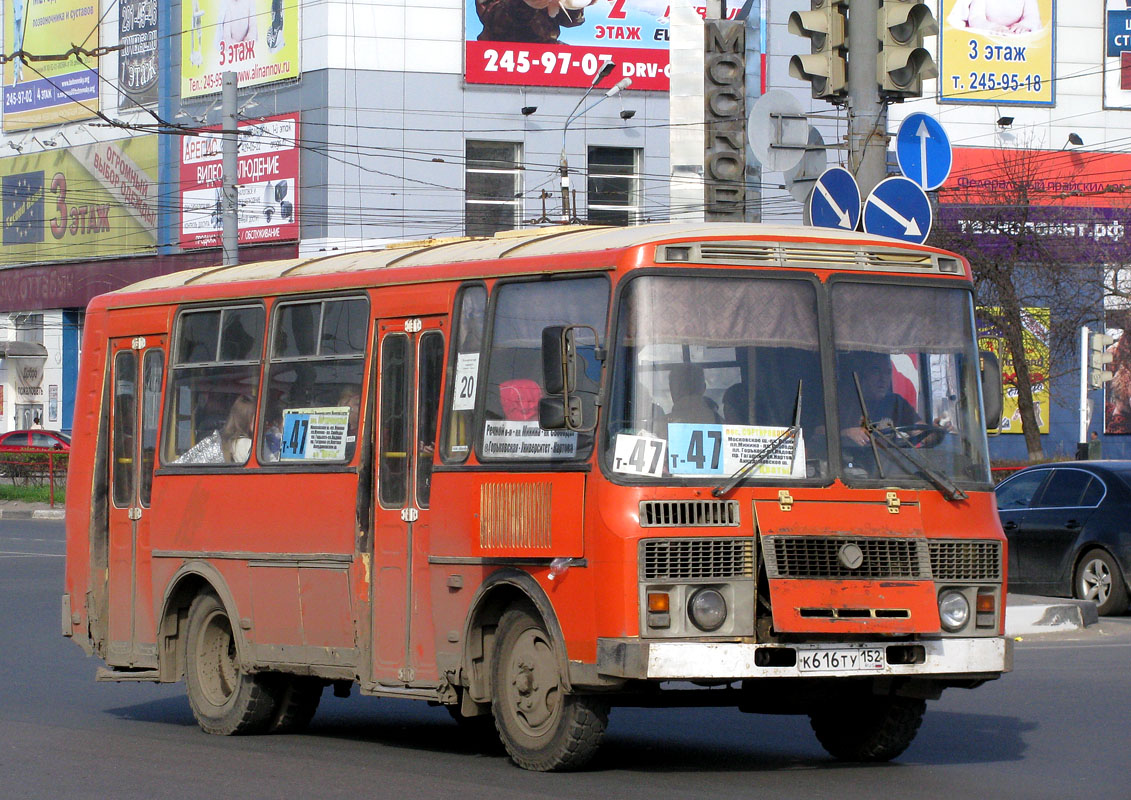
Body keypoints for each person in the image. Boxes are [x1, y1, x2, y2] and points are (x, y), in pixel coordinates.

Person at [840, 352, 919, 448]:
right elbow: (820, 432)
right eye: (876, 371)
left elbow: (920, 431)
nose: (883, 378)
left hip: (888, 461)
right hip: (849, 460)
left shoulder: (895, 403)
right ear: (863, 374)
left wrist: (939, 429)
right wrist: (847, 433)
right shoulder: (844, 402)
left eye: (887, 372)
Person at [475, 0, 594, 44]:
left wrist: (576, 5)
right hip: (498, 50)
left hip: (545, 51)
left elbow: (570, 21)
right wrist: (527, 4)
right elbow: (492, 18)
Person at [946, 0, 1042, 35]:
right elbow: (976, 18)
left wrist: (1024, 24)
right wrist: (994, 28)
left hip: (1017, 40)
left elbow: (1032, 16)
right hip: (989, 37)